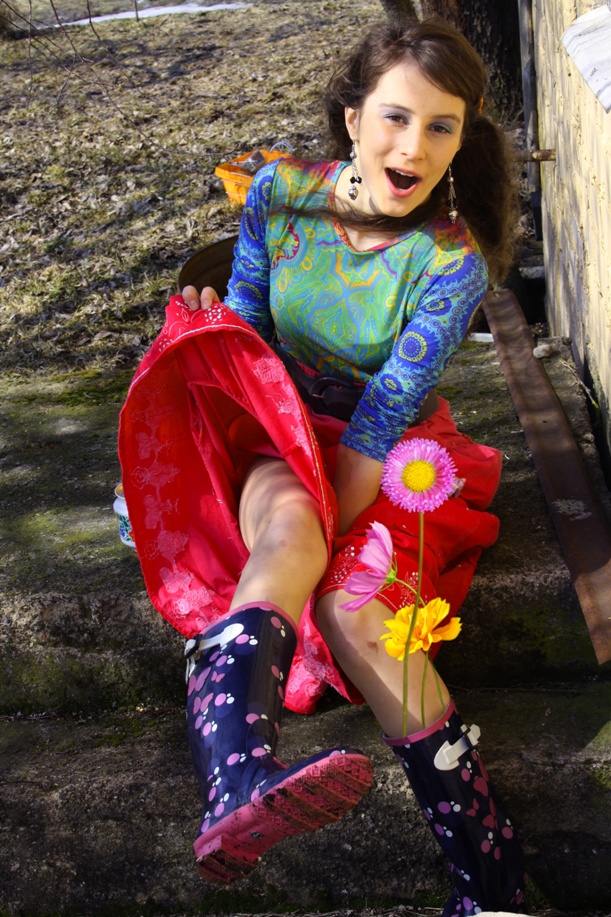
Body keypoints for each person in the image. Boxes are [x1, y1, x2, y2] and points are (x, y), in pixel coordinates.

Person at [118, 16, 525, 915]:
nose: (412, 148)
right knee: (287, 522)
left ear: (462, 138)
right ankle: (237, 777)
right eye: (394, 118)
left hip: (389, 456)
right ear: (351, 118)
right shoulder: (278, 193)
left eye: (440, 127)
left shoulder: (450, 260)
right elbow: (249, 332)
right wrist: (208, 337)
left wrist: (325, 555)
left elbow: (378, 424)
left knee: (352, 604)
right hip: (275, 427)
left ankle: (490, 887)